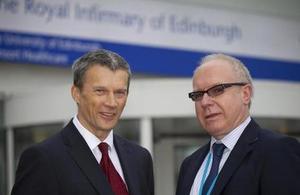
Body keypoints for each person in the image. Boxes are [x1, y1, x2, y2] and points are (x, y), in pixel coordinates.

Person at [11, 49, 154, 195]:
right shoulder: (43, 159)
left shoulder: (140, 159)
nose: (112, 103)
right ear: (76, 94)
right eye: (100, 91)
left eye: (119, 93)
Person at [176, 53, 300, 195]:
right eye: (198, 95)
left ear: (245, 94)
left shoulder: (277, 151)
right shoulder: (189, 164)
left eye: (217, 90)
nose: (205, 102)